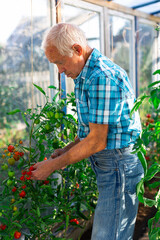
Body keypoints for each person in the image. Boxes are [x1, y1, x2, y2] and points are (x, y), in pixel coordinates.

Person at [31, 23, 144, 240]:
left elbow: (96, 142)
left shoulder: (101, 76)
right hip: (112, 166)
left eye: (61, 63)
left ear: (77, 50)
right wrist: (67, 149)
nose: (60, 71)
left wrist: (53, 166)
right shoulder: (85, 72)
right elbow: (94, 129)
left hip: (118, 166)